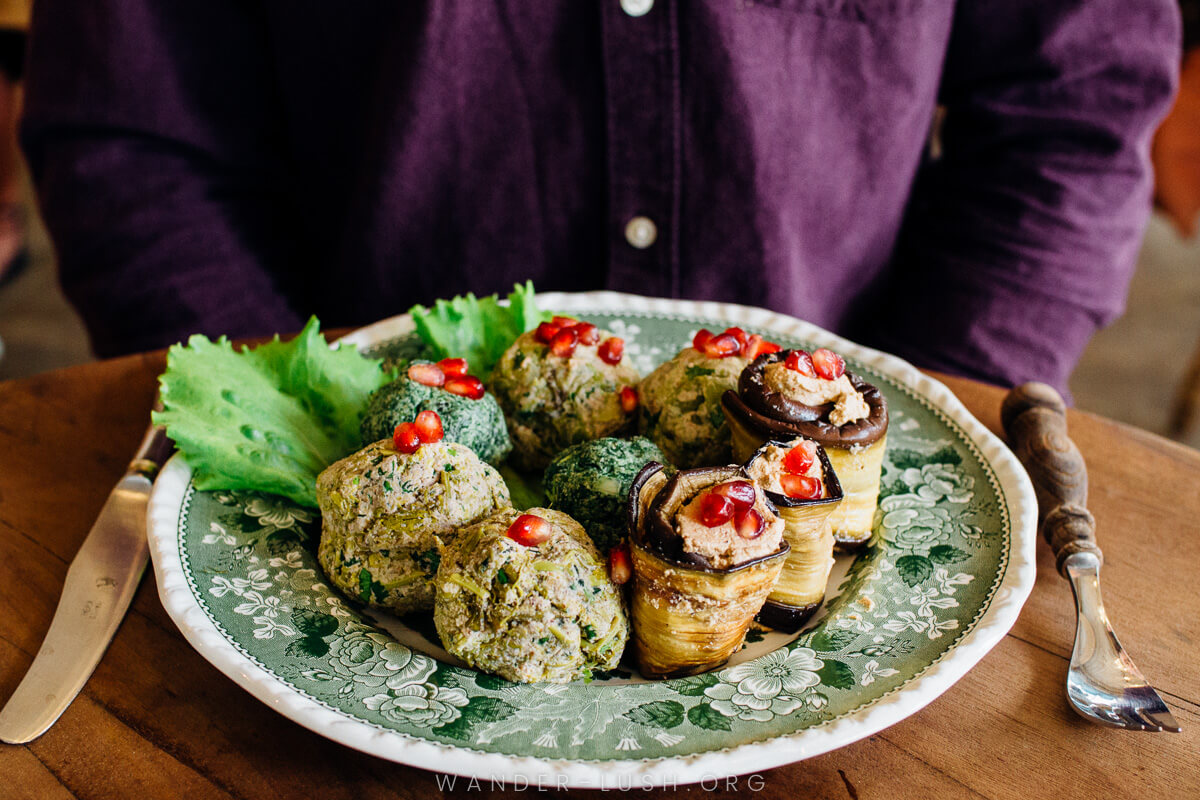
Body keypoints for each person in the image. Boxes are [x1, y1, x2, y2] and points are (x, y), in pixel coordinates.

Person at [19, 2, 1180, 396]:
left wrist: (905, 452)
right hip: (338, 536)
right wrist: (299, 448)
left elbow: (1069, 111)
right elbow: (135, 133)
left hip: (852, 483)